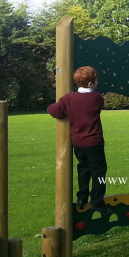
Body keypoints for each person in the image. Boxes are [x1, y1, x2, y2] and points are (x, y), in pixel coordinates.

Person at [47, 66, 112, 217]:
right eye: (95, 81)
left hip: (78, 142)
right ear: (90, 84)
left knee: (83, 169)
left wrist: (57, 104)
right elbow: (99, 103)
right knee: (99, 172)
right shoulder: (96, 98)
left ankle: (82, 197)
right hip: (94, 142)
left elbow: (54, 111)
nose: (97, 83)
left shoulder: (68, 99)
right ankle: (97, 201)